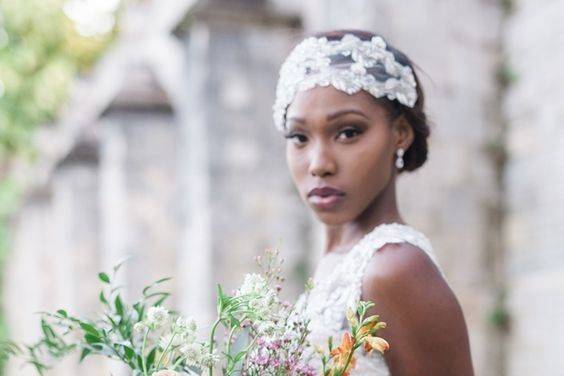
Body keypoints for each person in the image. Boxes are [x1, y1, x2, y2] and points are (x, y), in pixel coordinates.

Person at [272, 29, 475, 375]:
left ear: (400, 134)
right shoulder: (338, 262)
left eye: (348, 132)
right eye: (299, 137)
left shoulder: (394, 269)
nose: (319, 164)